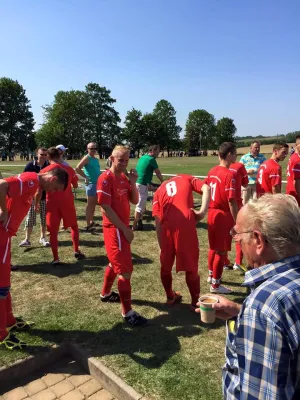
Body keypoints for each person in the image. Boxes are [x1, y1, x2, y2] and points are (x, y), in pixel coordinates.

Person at [197, 194, 300, 399]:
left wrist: (254, 313)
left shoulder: (265, 305)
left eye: (237, 234)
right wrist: (240, 312)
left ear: (258, 240)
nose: (237, 241)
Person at [0, 168, 68, 350]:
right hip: (1, 234)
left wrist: (36, 202)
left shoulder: (35, 184)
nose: (52, 192)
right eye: (54, 188)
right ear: (52, 178)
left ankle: (9, 321)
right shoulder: (31, 179)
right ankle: (1, 335)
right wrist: (3, 211)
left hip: (5, 235)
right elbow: (1, 185)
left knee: (4, 282)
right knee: (0, 285)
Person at [97, 145, 148, 326]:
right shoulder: (105, 179)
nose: (124, 163)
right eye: (121, 160)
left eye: (127, 160)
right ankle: (127, 313)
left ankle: (105, 294)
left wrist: (133, 181)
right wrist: (125, 229)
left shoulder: (124, 178)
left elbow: (134, 200)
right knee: (125, 271)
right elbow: (105, 207)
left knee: (114, 263)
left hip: (122, 229)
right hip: (114, 229)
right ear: (111, 158)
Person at [152, 174, 210, 308]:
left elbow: (157, 221)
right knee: (191, 267)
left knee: (165, 266)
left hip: (167, 228)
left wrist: (162, 246)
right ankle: (195, 302)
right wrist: (202, 212)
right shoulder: (186, 177)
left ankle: (170, 296)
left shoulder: (159, 190)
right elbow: (206, 188)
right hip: (185, 224)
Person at [40, 147, 85, 264]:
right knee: (74, 226)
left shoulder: (45, 170)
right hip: (67, 202)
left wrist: (36, 204)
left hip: (52, 204)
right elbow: (75, 185)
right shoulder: (68, 169)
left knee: (53, 232)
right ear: (60, 156)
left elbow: (39, 188)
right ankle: (76, 250)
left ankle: (55, 258)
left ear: (48, 157)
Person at [205, 142, 238, 294]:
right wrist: (237, 221)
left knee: (213, 247)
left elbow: (204, 189)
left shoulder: (212, 171)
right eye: (235, 153)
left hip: (211, 213)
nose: (236, 156)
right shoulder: (229, 174)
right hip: (222, 215)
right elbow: (231, 200)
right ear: (229, 154)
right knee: (221, 251)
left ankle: (211, 275)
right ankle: (216, 285)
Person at [19, 147, 50, 247]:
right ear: (37, 154)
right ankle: (27, 239)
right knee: (30, 218)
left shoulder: (49, 165)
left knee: (44, 218)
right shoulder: (30, 165)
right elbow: (24, 178)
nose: (44, 157)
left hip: (45, 197)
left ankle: (43, 238)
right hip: (31, 197)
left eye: (45, 155)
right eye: (42, 154)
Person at [223, 161, 249, 271]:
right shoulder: (240, 166)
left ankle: (224, 262)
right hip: (235, 202)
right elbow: (245, 183)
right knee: (240, 230)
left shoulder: (218, 169)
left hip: (223, 203)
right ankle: (238, 261)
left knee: (224, 233)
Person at [132, 145, 164, 231]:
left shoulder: (143, 157)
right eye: (158, 151)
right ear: (153, 150)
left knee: (141, 204)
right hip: (142, 184)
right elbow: (157, 172)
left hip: (138, 182)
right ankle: (134, 226)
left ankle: (139, 222)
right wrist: (163, 182)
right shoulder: (151, 159)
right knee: (140, 206)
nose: (158, 153)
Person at [75, 142, 101, 230]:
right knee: (90, 205)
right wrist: (85, 177)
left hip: (97, 184)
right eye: (91, 148)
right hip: (91, 184)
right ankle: (88, 224)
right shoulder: (87, 158)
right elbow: (77, 168)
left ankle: (91, 221)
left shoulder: (95, 159)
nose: (93, 150)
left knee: (93, 205)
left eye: (94, 148)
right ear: (87, 149)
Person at [286, 135, 300, 205]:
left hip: (291, 192)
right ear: (296, 145)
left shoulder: (294, 156)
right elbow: (296, 181)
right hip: (296, 194)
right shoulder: (297, 160)